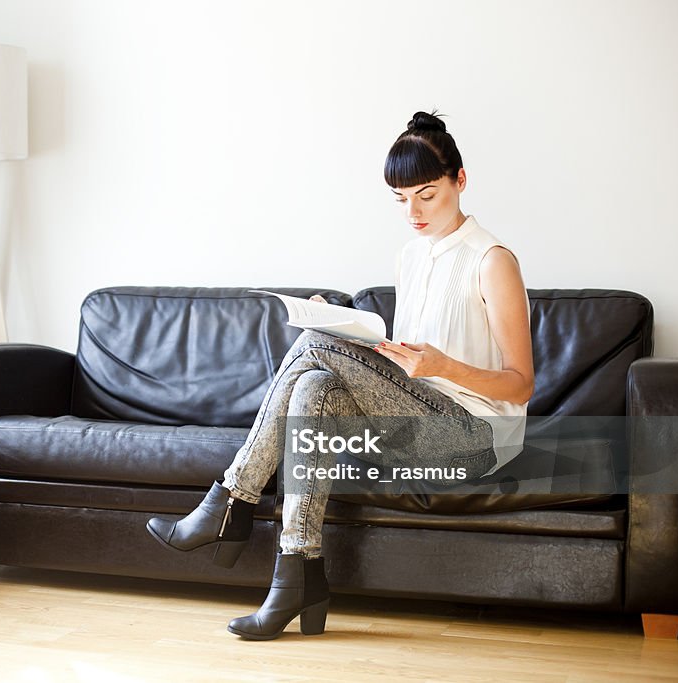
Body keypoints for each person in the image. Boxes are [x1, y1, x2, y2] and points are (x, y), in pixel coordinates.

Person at [146, 111, 534, 640]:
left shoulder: (492, 260)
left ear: (459, 181)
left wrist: (443, 365)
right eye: (400, 199)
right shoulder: (411, 258)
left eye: (426, 194)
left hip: (477, 440)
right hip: (418, 419)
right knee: (315, 389)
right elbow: (402, 366)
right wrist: (345, 330)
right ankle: (297, 575)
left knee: (312, 345)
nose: (413, 211)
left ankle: (231, 500)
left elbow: (521, 384)